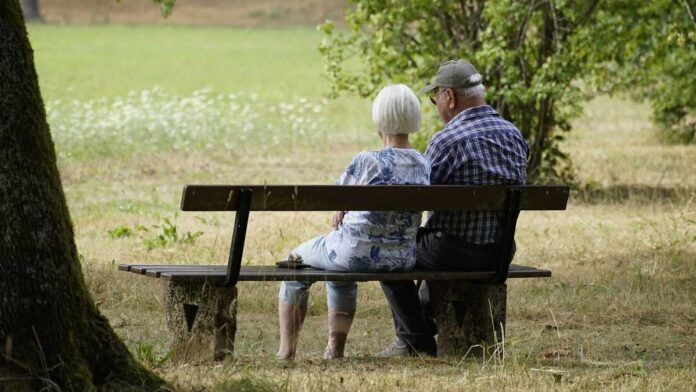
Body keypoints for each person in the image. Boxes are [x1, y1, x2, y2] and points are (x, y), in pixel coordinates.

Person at [376, 60, 529, 357]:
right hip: (499, 252)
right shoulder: (515, 136)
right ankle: (422, 325)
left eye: (435, 100)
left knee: (387, 251)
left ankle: (415, 339)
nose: (436, 107)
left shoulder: (446, 141)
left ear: (449, 96)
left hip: (452, 252)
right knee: (433, 242)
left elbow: (418, 199)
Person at [277, 84, 430, 360]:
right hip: (401, 259)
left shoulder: (366, 161)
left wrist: (342, 207)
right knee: (338, 265)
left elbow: (335, 198)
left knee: (295, 261)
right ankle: (334, 350)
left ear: (379, 120)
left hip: (352, 254)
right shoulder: (423, 163)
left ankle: (286, 352)